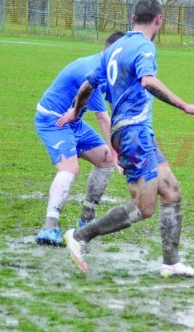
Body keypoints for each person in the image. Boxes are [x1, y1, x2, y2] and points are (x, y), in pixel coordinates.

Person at [57, 0, 194, 278]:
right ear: (159, 20)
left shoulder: (114, 48)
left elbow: (87, 86)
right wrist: (186, 106)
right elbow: (149, 82)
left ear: (132, 19)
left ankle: (171, 262)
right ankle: (80, 235)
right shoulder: (145, 47)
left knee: (171, 192)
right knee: (144, 207)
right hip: (132, 133)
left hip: (139, 132)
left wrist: (75, 113)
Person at [34, 31, 124, 247]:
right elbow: (102, 118)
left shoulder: (110, 70)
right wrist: (117, 152)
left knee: (104, 161)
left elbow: (112, 107)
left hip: (74, 122)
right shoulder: (91, 72)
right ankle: (49, 228)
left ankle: (86, 219)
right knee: (70, 169)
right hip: (53, 120)